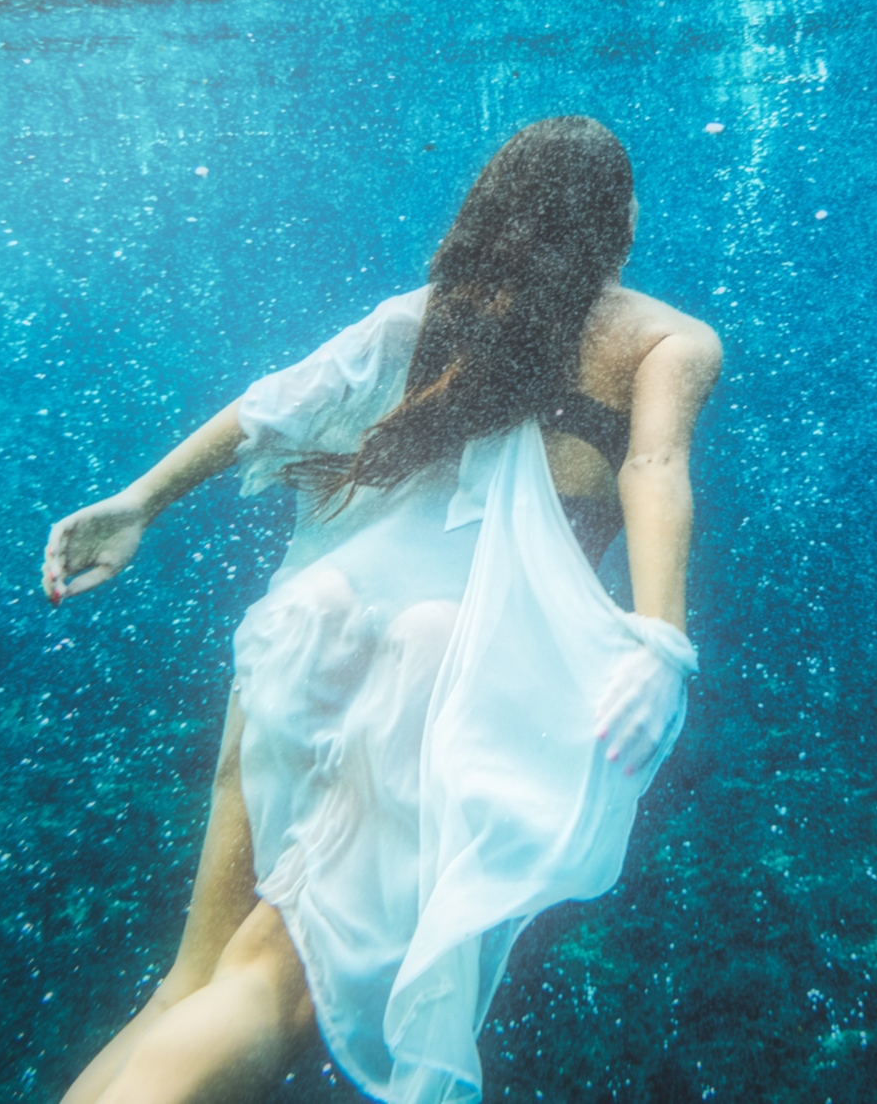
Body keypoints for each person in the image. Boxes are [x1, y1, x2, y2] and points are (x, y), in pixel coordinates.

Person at [42, 117, 722, 1104]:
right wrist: (661, 641)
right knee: (274, 986)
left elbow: (271, 405)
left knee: (186, 983)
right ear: (617, 226)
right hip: (435, 667)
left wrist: (139, 499)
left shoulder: (432, 314)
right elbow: (654, 468)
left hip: (311, 627)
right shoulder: (665, 341)